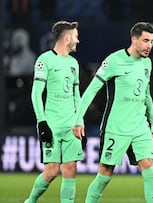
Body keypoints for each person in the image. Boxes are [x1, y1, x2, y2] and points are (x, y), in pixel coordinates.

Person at [72, 22, 153, 203]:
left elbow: (146, 95)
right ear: (134, 39)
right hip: (116, 127)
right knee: (105, 174)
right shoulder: (114, 60)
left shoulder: (147, 63)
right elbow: (91, 90)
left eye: (151, 41)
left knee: (150, 170)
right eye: (145, 40)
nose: (149, 46)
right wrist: (78, 118)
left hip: (139, 127)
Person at [25, 21, 83, 203]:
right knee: (51, 171)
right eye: (76, 36)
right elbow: (36, 93)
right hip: (51, 125)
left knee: (71, 168)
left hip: (71, 126)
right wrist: (41, 122)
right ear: (67, 37)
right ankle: (30, 201)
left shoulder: (74, 63)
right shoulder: (44, 60)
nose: (78, 41)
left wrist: (79, 120)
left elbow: (77, 96)